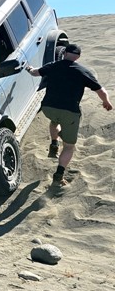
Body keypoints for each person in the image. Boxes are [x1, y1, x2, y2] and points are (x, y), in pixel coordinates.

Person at [26, 43, 112, 186]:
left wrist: (28, 68)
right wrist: (106, 102)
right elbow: (101, 90)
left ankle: (54, 144)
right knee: (69, 146)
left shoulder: (53, 65)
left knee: (54, 121)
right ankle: (59, 175)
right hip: (70, 111)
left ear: (64, 53)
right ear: (78, 57)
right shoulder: (82, 71)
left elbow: (35, 72)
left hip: (48, 108)